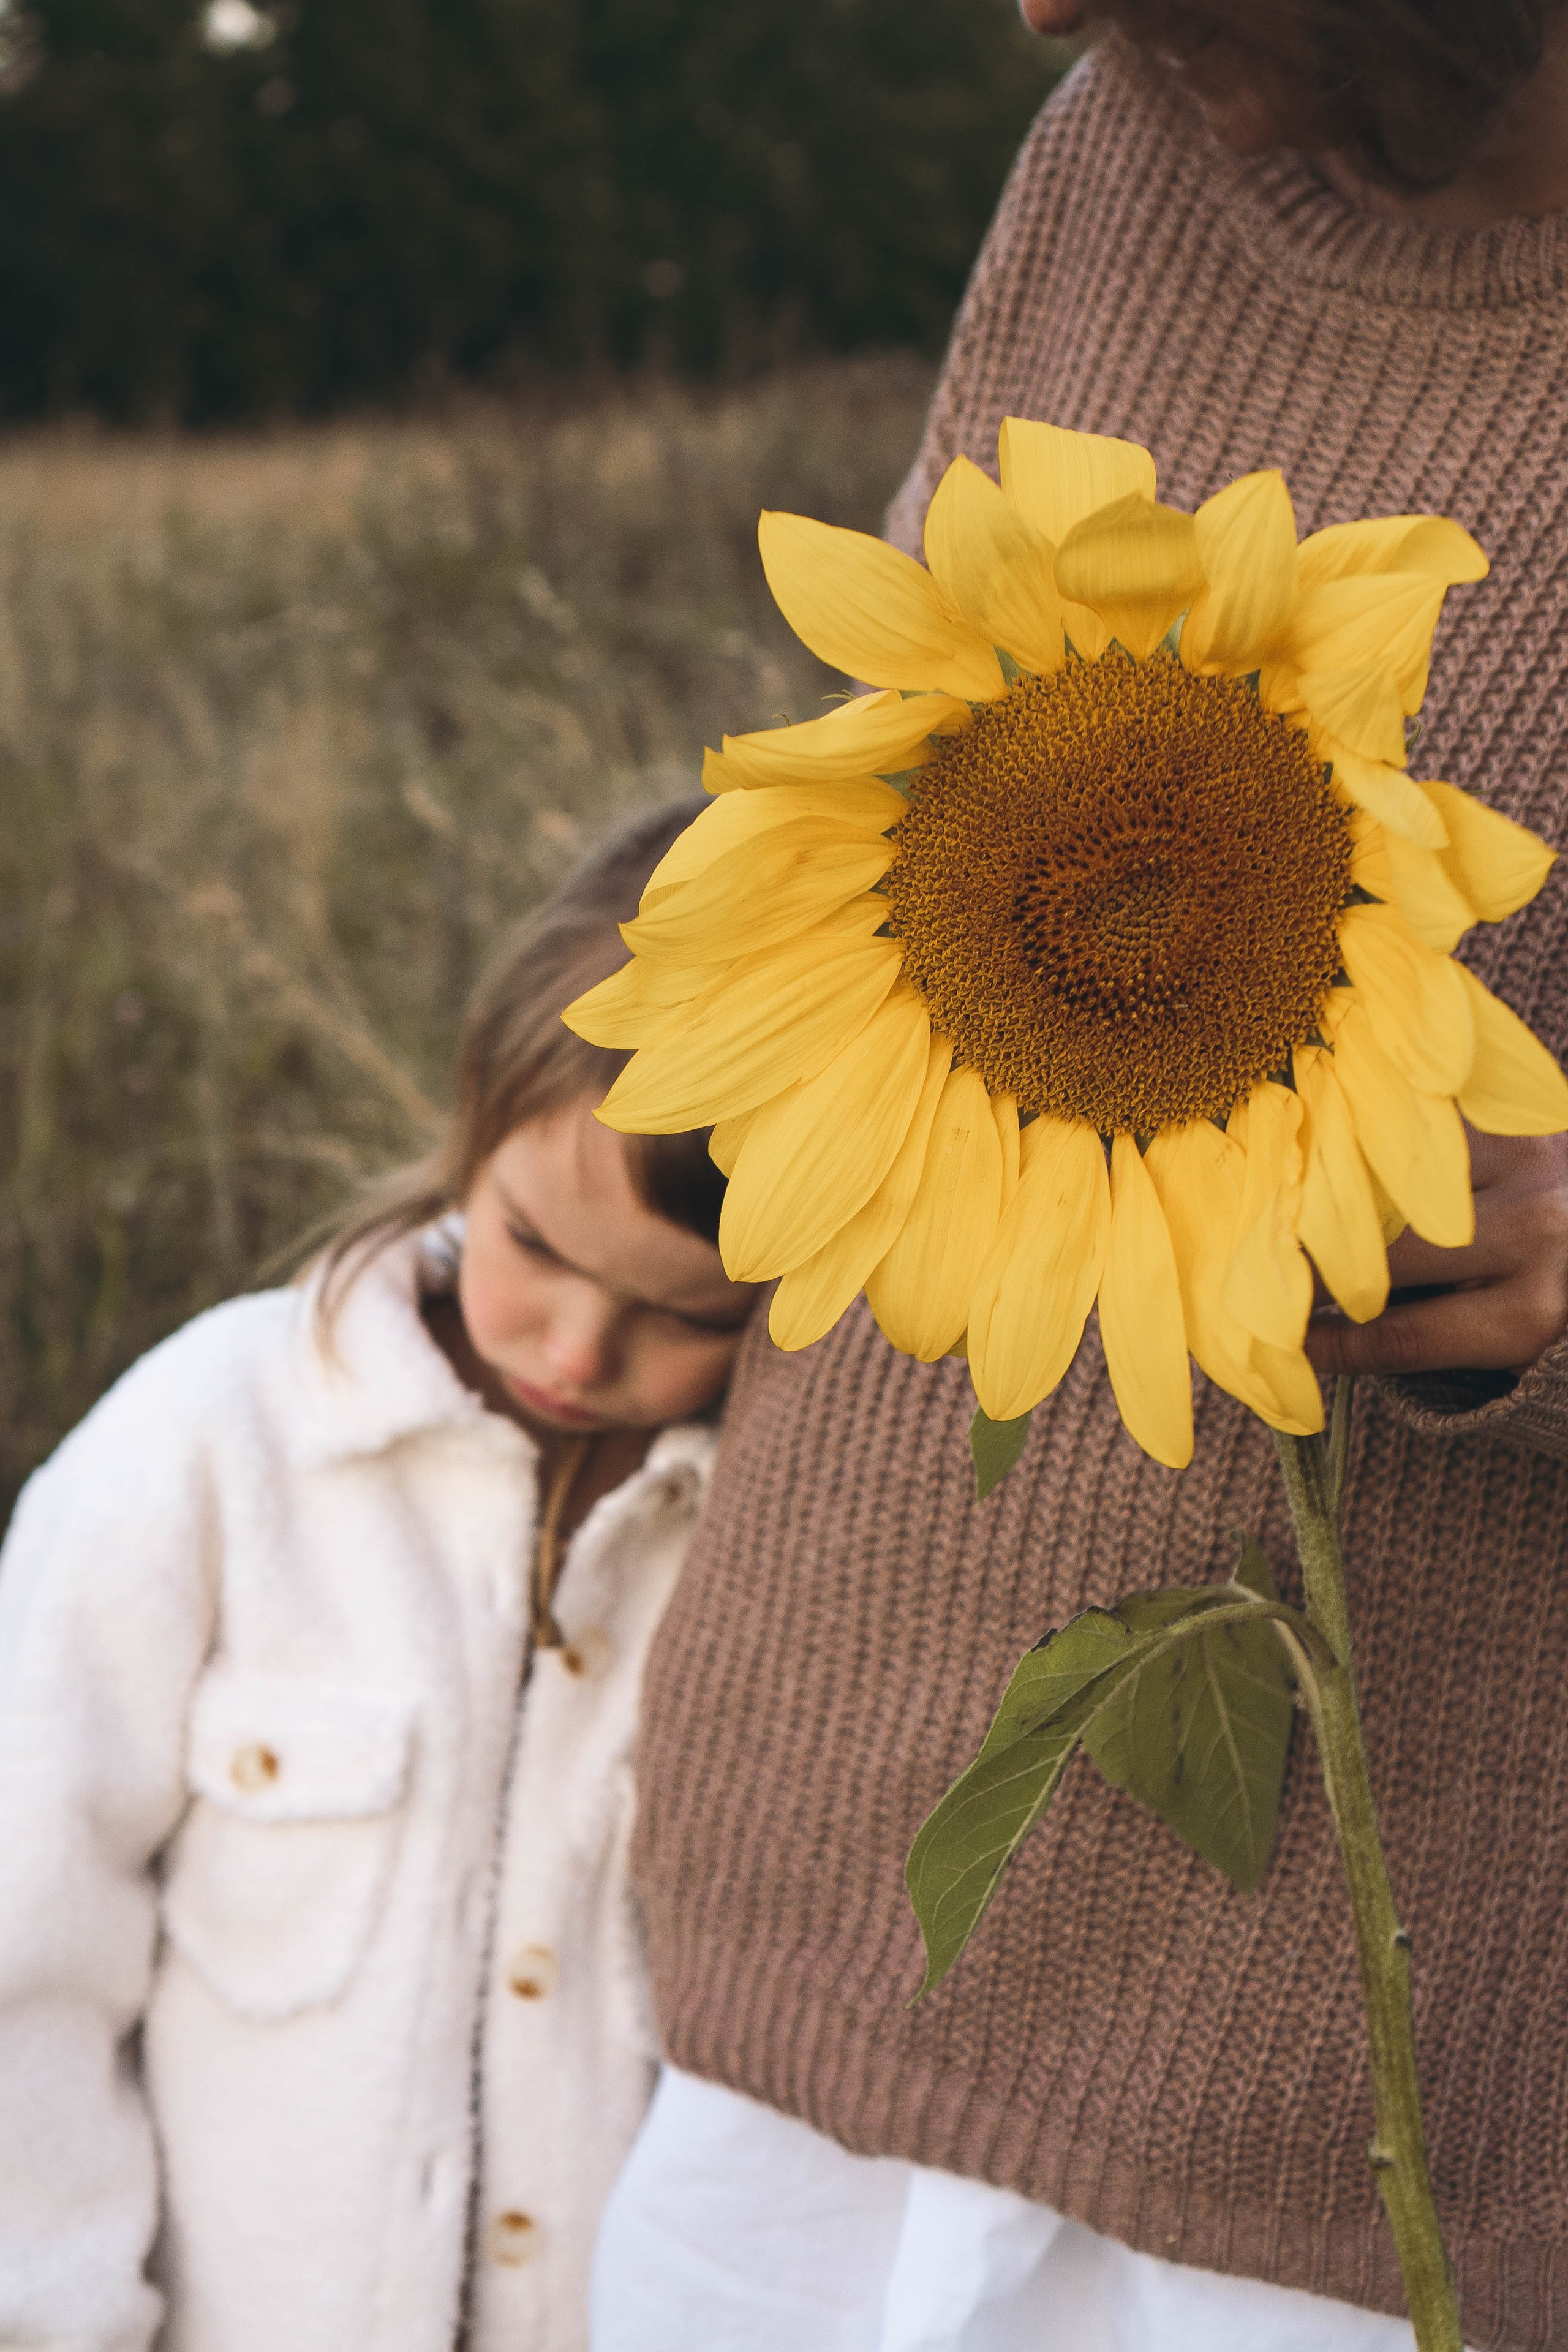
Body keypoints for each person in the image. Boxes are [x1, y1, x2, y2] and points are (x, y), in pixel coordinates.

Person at [591, 8, 1568, 2351]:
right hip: (810, 1910)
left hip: (1361, 2084)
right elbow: (904, 761)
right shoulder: (1115, 145)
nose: (1049, 4)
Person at [0, 797, 758, 2352]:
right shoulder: (211, 1444)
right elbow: (28, 1940)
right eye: (532, 1244)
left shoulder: (755, 1534)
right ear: (469, 1135)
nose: (574, 1348)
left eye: (683, 1314)